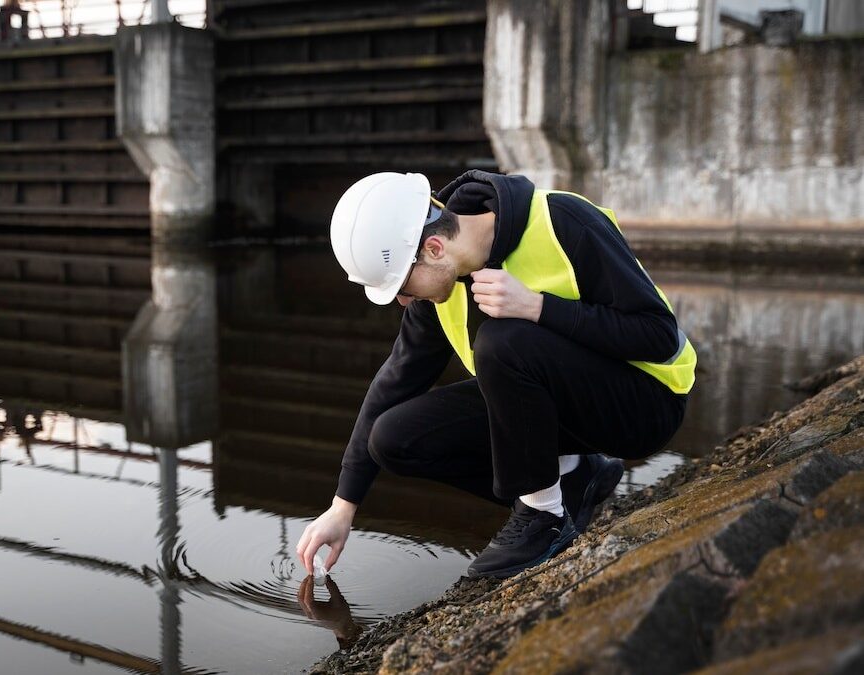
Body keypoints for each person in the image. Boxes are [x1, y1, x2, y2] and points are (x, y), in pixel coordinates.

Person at [295, 170, 695, 579]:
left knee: (502, 341)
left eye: (402, 286)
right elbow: (395, 381)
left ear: (434, 248)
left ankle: (543, 517)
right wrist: (343, 505)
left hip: (646, 404)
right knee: (393, 439)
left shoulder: (564, 221)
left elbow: (658, 335)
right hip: (571, 413)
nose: (402, 300)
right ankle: (574, 478)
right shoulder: (441, 285)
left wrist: (538, 307)